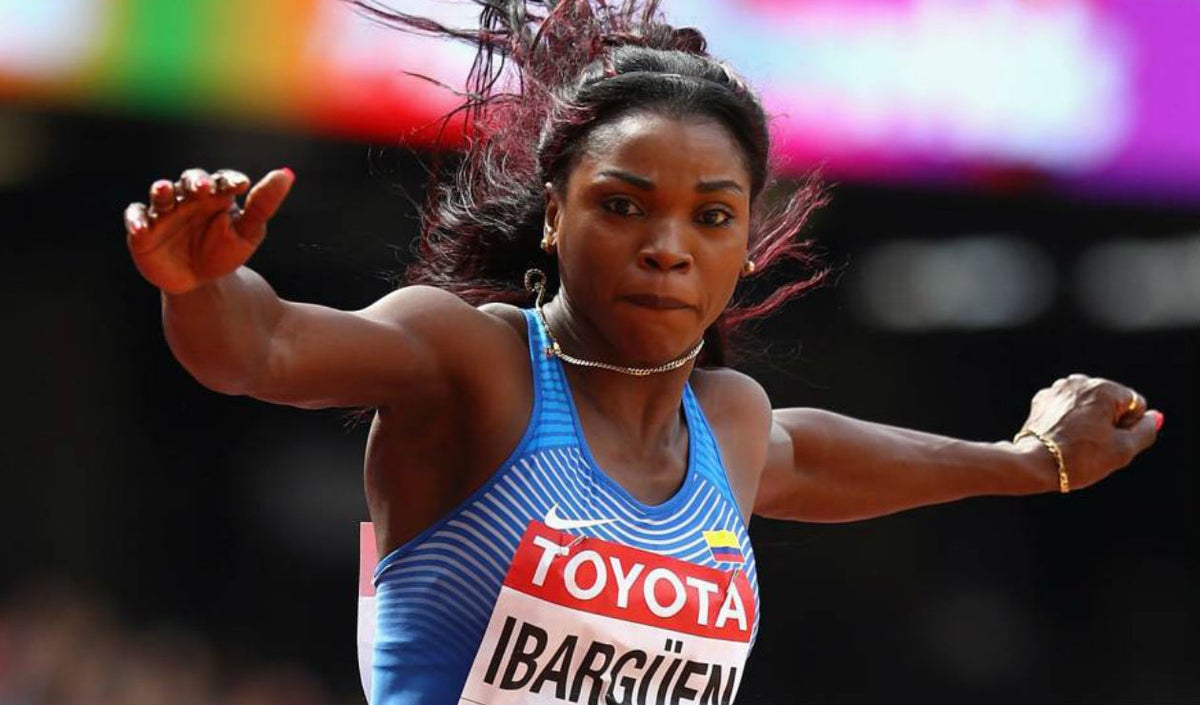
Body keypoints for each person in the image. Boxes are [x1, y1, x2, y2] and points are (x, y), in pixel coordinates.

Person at [122, 1, 1161, 703]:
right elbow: (262, 348)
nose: (668, 247)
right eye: (623, 206)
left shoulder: (730, 426)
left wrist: (1030, 462)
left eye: (711, 216)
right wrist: (198, 283)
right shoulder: (470, 362)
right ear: (553, 215)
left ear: (745, 240)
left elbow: (816, 455)